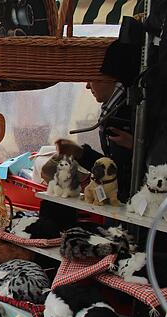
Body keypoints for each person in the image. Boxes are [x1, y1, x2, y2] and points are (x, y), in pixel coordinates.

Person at [54, 41, 141, 202]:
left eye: (92, 78)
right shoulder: (115, 111)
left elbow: (117, 170)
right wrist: (80, 153)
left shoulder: (129, 113)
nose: (87, 86)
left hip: (132, 203)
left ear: (111, 79)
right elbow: (111, 166)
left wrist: (138, 146)